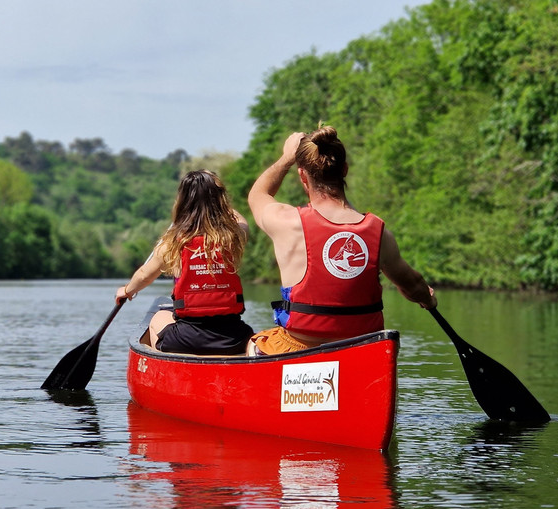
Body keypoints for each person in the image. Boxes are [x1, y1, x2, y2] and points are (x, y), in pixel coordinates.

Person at [246, 127, 436, 355]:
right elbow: (413, 286)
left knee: (255, 343)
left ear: (302, 176)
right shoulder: (378, 232)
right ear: (344, 170)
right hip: (360, 349)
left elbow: (258, 195)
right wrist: (428, 300)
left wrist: (287, 158)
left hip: (299, 346)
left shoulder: (287, 222)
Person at [116, 170, 254, 355]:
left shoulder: (173, 243)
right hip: (233, 337)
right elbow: (241, 220)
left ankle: (166, 359)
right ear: (220, 201)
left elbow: (144, 276)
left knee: (158, 317)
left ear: (183, 202)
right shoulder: (233, 237)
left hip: (186, 339)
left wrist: (127, 290)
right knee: (254, 341)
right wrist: (215, 196)